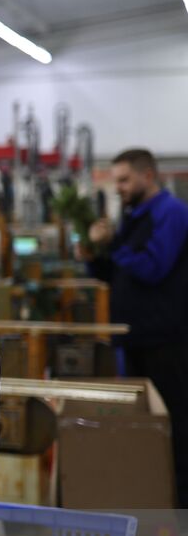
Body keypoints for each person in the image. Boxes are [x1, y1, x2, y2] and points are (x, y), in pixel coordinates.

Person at [85, 147, 188, 507]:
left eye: (125, 180)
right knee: (146, 425)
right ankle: (153, 496)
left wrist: (113, 244)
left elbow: (153, 268)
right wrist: (94, 255)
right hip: (134, 340)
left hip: (166, 341)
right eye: (116, 181)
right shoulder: (132, 216)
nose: (119, 188)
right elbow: (118, 274)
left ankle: (180, 504)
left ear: (148, 175)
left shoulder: (171, 213)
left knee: (174, 422)